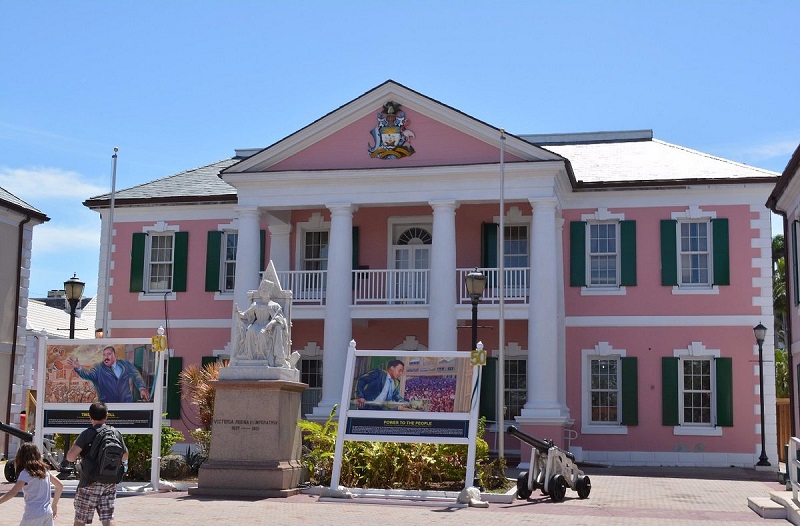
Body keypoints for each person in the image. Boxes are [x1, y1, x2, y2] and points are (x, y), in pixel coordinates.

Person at [66, 402, 128, 526]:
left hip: (89, 481)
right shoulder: (115, 433)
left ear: (90, 417)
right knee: (108, 518)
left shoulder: (87, 434)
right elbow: (125, 455)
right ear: (107, 416)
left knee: (80, 519)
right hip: (110, 481)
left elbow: (70, 457)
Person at [0, 442, 63, 526]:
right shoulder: (45, 471)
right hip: (47, 513)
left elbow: (12, 493)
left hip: (33, 515)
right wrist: (54, 505)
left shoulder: (25, 473)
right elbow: (60, 486)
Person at [66, 346, 149, 403]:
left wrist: (142, 388)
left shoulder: (124, 365)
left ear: (114, 355)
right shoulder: (98, 368)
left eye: (108, 354)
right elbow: (88, 375)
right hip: (107, 406)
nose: (106, 357)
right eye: (104, 355)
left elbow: (135, 374)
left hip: (125, 404)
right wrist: (79, 368)